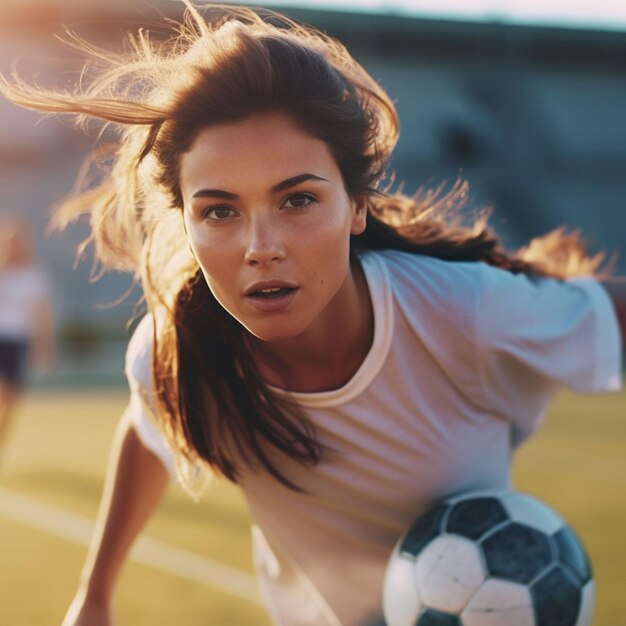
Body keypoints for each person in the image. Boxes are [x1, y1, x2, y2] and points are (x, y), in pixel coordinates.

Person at [1, 3, 622, 625]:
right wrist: (97, 592)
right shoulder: (177, 352)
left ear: (356, 206)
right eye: (219, 210)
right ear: (185, 222)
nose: (259, 247)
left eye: (297, 199)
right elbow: (146, 428)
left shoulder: (463, 310)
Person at [0, 213, 54, 463]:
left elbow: (42, 315)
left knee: (11, 398)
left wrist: (43, 347)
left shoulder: (34, 276)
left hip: (17, 342)